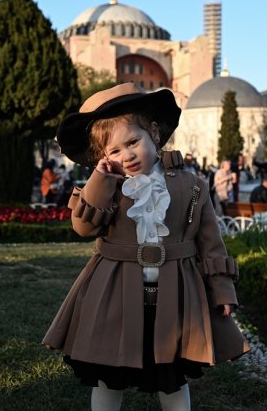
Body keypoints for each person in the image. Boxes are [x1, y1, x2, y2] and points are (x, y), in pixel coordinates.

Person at [43, 83, 248, 411]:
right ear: (102, 158)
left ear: (153, 132)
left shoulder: (192, 185)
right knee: (109, 376)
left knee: (171, 379)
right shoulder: (106, 187)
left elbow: (211, 245)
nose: (127, 155)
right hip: (115, 295)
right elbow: (83, 226)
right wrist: (100, 179)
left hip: (176, 295)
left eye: (133, 142)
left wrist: (222, 291)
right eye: (114, 151)